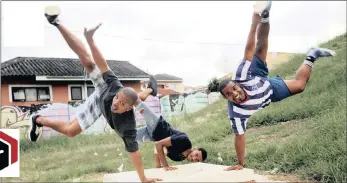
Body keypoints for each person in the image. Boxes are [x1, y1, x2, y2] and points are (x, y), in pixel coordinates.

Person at [29, 7, 162, 183]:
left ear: (128, 109)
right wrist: (90, 41)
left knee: (70, 131)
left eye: (121, 104)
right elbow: (102, 63)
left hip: (102, 107)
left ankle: (37, 119)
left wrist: (143, 178)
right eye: (118, 99)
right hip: (103, 91)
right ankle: (55, 22)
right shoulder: (115, 86)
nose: (116, 103)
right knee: (89, 62)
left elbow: (135, 153)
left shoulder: (127, 126)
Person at [218, 1, 336, 171]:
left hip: (256, 76)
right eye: (229, 94)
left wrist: (255, 21)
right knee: (300, 86)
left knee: (260, 47)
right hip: (271, 91)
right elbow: (240, 137)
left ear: (237, 84)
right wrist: (241, 163)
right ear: (226, 98)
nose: (235, 94)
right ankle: (312, 54)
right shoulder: (236, 114)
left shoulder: (241, 76)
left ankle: (265, 15)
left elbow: (249, 48)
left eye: (234, 89)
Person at [134, 80, 208, 171]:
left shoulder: (178, 158)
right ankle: (149, 90)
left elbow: (160, 148)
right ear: (196, 148)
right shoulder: (185, 141)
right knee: (137, 100)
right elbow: (158, 145)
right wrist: (165, 166)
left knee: (128, 136)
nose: (194, 158)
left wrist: (158, 164)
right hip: (157, 125)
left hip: (152, 135)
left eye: (197, 160)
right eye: (196, 155)